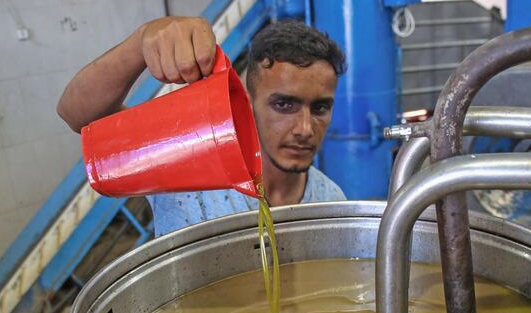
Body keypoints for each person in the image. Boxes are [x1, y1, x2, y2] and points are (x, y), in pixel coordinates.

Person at [57, 17, 347, 237]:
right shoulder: (187, 171)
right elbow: (76, 115)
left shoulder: (330, 203)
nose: (305, 129)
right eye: (284, 105)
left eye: (320, 108)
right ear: (248, 105)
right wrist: (140, 41)